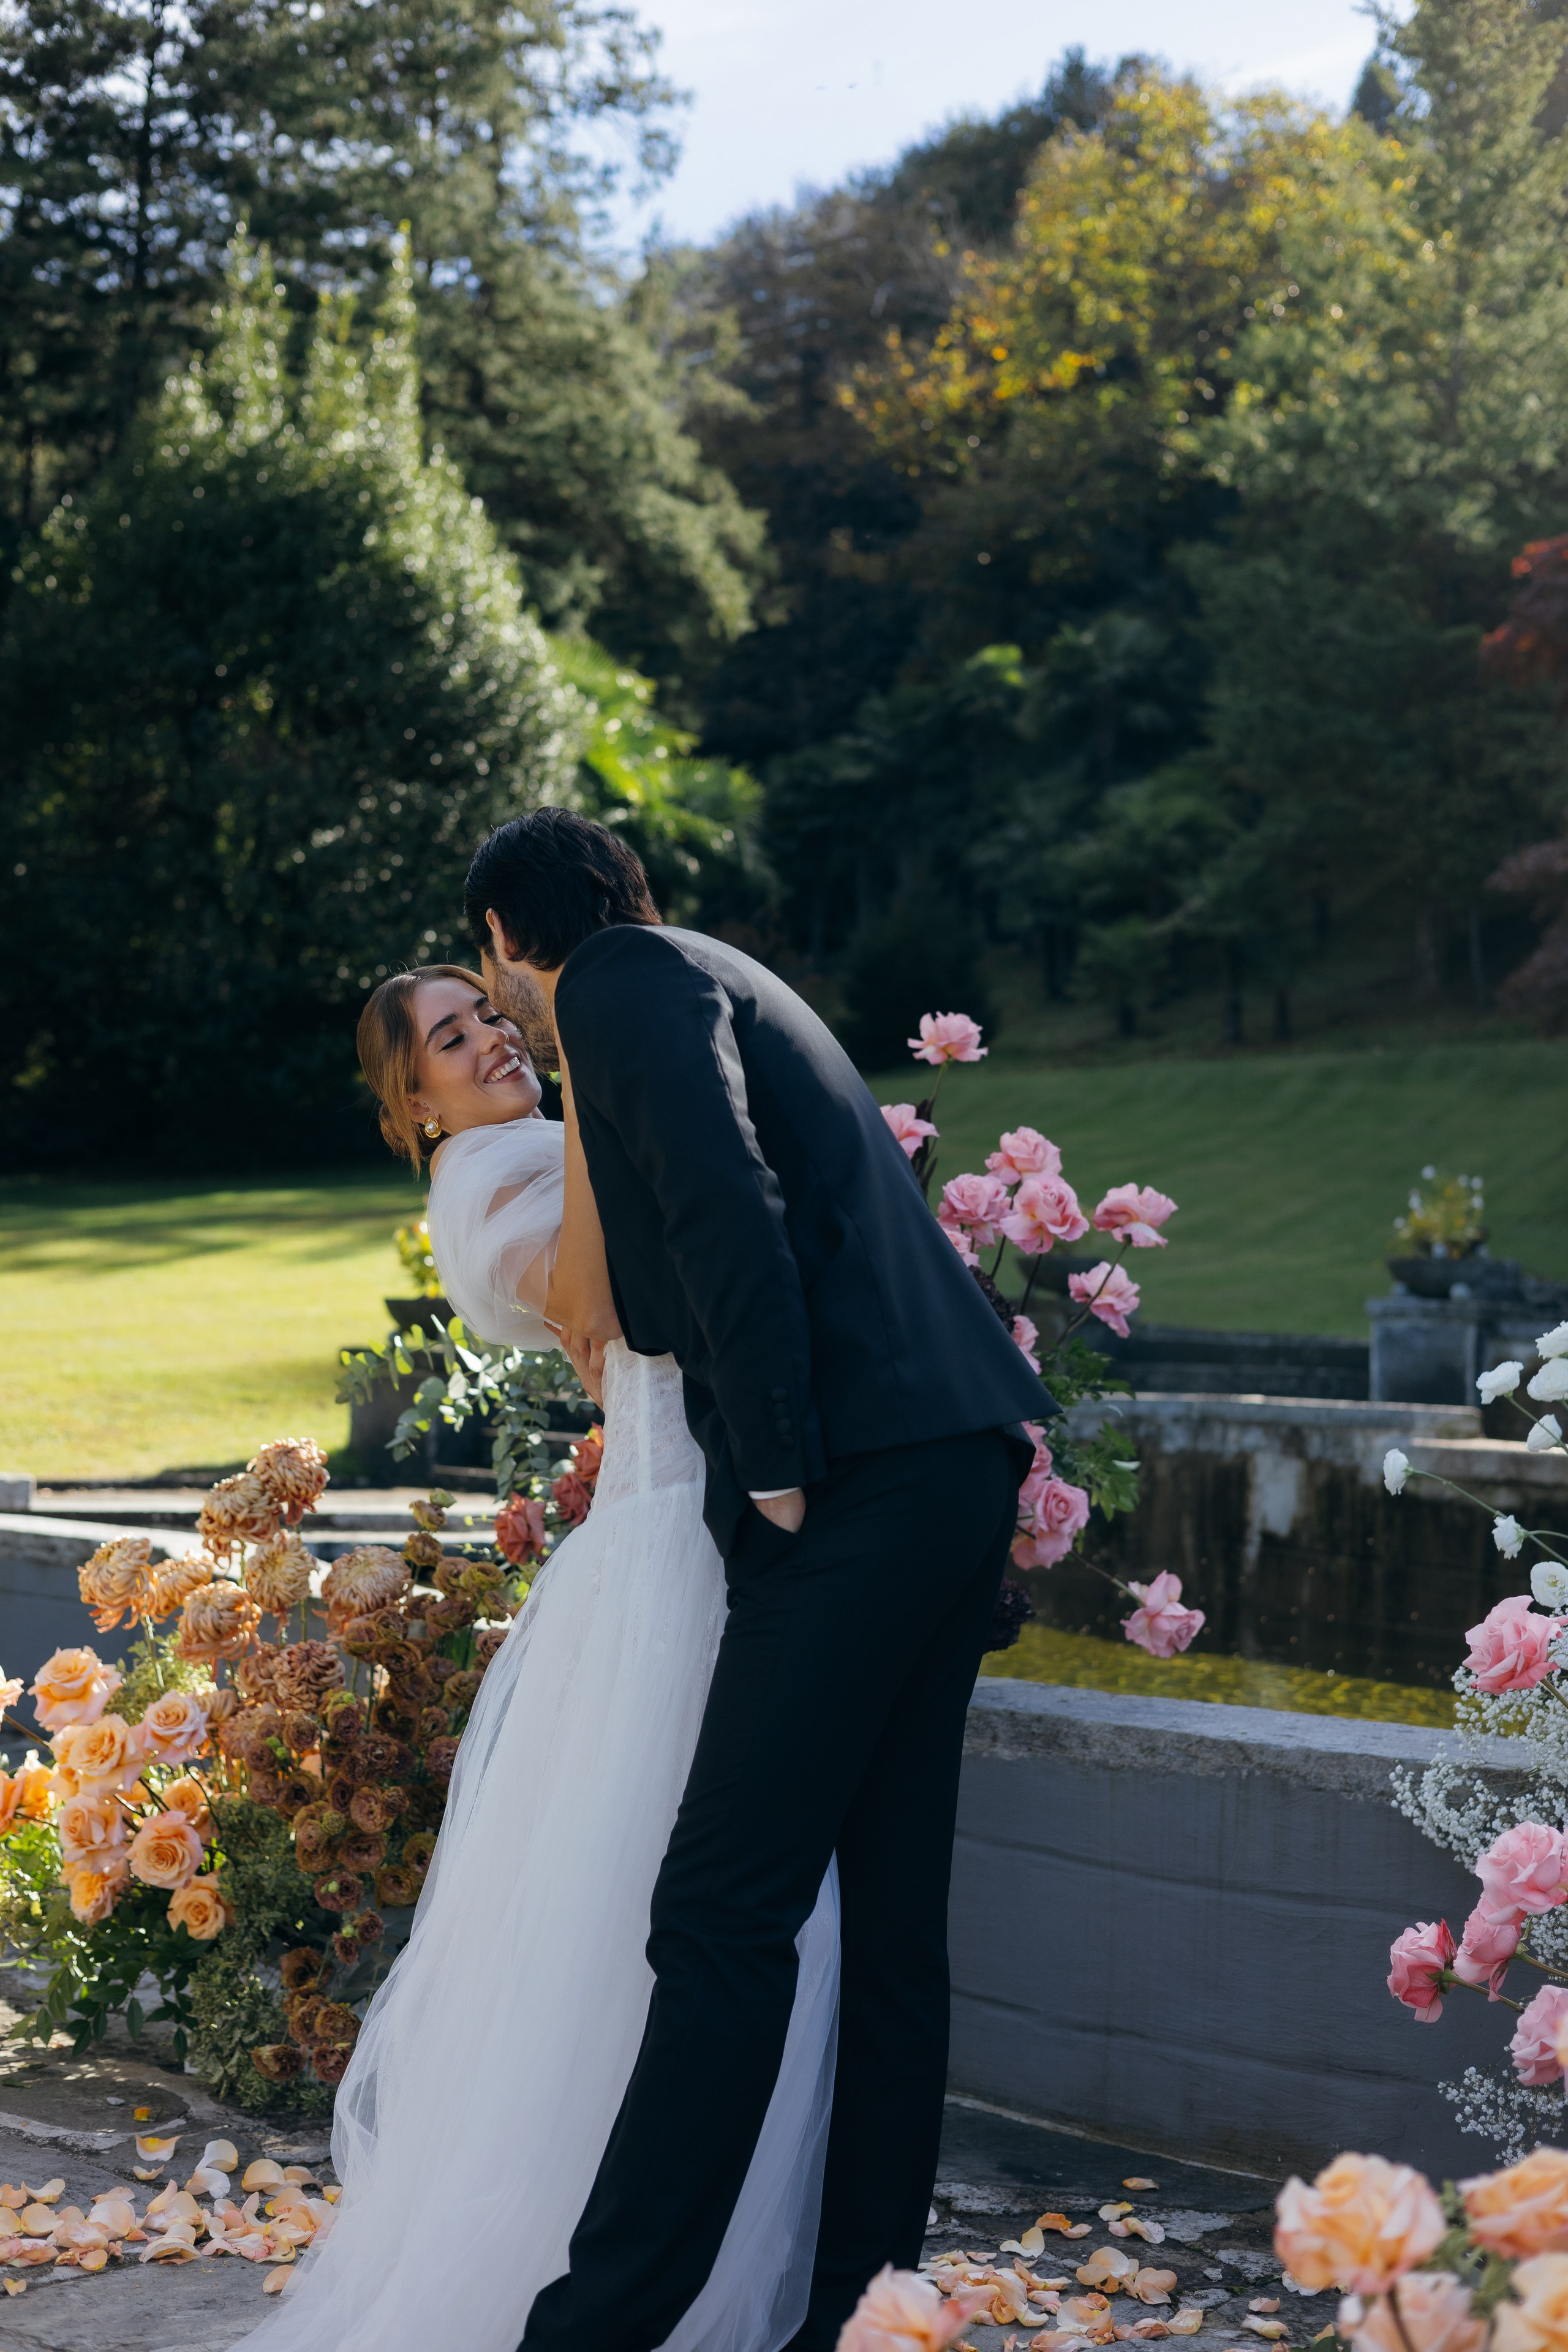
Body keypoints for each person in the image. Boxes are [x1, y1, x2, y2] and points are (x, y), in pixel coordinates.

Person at [462, 811, 1050, 2352]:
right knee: (888, 1925)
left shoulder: (613, 982)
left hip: (852, 1484)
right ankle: (856, 2316)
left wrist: (776, 1455)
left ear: (508, 942)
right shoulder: (702, 960)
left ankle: (589, 2334)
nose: (501, 999)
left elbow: (726, 1200)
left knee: (720, 1908)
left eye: (486, 966)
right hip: (951, 1458)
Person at [236, 961, 839, 2352]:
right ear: (415, 1104)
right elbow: (591, 1292)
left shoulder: (551, 1130)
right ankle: (612, 2253)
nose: (493, 1040)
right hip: (663, 1556)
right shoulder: (480, 1186)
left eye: (489, 1016)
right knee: (657, 1902)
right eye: (452, 1039)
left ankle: (714, 2233)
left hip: (698, 1520)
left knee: (707, 1896)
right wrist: (591, 1104)